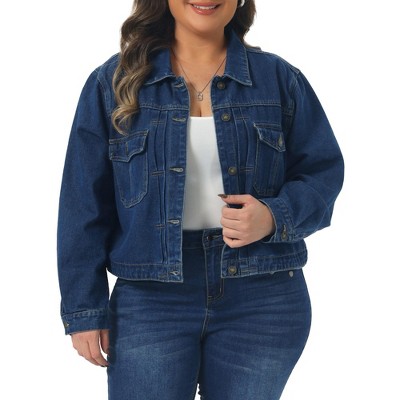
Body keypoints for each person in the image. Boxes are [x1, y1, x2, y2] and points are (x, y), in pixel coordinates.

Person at [57, 1, 344, 399]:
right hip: (150, 299)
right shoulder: (113, 83)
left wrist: (273, 216)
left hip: (263, 297)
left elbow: (323, 172)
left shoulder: (279, 79)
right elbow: (83, 203)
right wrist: (84, 309)